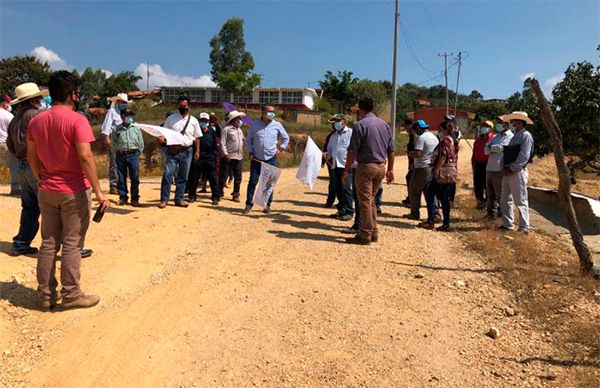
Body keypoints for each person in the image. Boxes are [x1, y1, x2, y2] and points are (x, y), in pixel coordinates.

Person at [27, 70, 110, 310]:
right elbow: (85, 157)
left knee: (48, 243)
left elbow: (32, 156)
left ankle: (45, 295)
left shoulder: (37, 121)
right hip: (73, 191)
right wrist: (98, 191)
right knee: (73, 243)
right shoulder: (77, 120)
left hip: (47, 189)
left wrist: (41, 177)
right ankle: (72, 294)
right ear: (73, 94)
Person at [342, 98, 394, 245]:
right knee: (371, 200)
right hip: (380, 167)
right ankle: (374, 231)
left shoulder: (360, 125)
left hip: (366, 167)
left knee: (364, 201)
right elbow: (391, 150)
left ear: (360, 109)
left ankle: (365, 234)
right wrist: (390, 169)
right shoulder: (385, 125)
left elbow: (352, 151)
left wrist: (346, 170)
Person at [6, 83, 46, 256]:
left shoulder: (14, 120)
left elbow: (10, 145)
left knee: (29, 208)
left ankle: (21, 243)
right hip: (36, 163)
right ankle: (68, 247)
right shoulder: (36, 116)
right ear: (34, 99)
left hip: (22, 165)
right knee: (53, 206)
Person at [243, 105, 290, 215]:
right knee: (253, 182)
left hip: (271, 159)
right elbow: (249, 140)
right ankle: (248, 204)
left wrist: (281, 149)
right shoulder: (254, 124)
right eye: (269, 111)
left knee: (269, 183)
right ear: (263, 112)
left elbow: (285, 138)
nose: (272, 114)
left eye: (273, 112)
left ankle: (267, 205)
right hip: (256, 158)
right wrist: (250, 151)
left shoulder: (277, 125)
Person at [158, 96, 202, 208]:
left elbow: (197, 137)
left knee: (183, 176)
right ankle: (164, 199)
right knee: (168, 174)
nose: (183, 108)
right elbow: (163, 132)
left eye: (185, 106)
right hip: (172, 150)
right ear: (177, 106)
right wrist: (161, 138)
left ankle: (179, 198)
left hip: (187, 151)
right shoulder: (171, 118)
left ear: (189, 106)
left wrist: (197, 151)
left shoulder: (194, 121)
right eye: (181, 106)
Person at [499, 111, 534, 234]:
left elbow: (524, 155)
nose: (513, 122)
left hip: (517, 171)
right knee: (505, 199)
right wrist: (503, 167)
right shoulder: (515, 135)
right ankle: (507, 223)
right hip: (507, 170)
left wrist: (512, 168)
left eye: (515, 120)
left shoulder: (526, 135)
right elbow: (507, 153)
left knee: (520, 200)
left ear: (521, 122)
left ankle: (524, 227)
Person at [421, 122, 459, 231]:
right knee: (444, 197)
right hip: (450, 170)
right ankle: (446, 223)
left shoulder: (445, 140)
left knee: (430, 194)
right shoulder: (453, 140)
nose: (439, 132)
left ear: (444, 129)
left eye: (440, 129)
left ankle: (431, 220)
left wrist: (437, 169)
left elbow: (443, 156)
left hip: (443, 170)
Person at [405, 120, 438, 220]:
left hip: (421, 168)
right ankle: (435, 213)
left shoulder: (421, 138)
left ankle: (415, 213)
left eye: (415, 130)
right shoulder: (434, 137)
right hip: (431, 167)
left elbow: (418, 154)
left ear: (418, 128)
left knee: (414, 190)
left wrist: (409, 154)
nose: (415, 132)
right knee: (430, 191)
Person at [111, 108, 144, 206]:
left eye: (131, 115)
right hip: (121, 155)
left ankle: (135, 199)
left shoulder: (136, 128)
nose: (129, 117)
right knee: (121, 178)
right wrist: (117, 152)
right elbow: (113, 143)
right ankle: (123, 198)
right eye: (127, 115)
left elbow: (141, 142)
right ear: (122, 116)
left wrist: (138, 152)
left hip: (133, 155)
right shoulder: (116, 129)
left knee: (134, 178)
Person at [325, 114, 354, 221]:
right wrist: (326, 155)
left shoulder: (351, 133)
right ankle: (341, 210)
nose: (336, 123)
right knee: (338, 189)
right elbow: (330, 151)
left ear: (344, 122)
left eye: (338, 121)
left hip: (347, 165)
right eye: (335, 121)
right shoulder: (333, 136)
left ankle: (349, 211)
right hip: (335, 165)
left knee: (346, 189)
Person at [188, 112, 220, 205]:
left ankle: (215, 197)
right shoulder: (195, 132)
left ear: (208, 122)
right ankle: (192, 196)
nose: (203, 122)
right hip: (198, 157)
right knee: (194, 177)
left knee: (213, 178)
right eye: (201, 121)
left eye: (205, 121)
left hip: (209, 157)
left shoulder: (212, 132)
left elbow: (216, 145)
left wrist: (214, 154)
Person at [485, 116, 513, 219]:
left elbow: (503, 148)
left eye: (501, 122)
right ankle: (491, 214)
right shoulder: (496, 137)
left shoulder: (510, 136)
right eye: (498, 121)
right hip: (490, 168)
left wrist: (491, 147)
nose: (499, 124)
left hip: (499, 169)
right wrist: (493, 148)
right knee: (490, 194)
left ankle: (502, 215)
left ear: (507, 123)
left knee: (500, 194)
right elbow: (486, 150)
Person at [101, 93, 129, 195]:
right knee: (114, 164)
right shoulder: (112, 112)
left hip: (124, 141)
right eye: (122, 102)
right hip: (114, 140)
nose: (124, 104)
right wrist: (107, 140)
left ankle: (121, 185)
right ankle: (113, 185)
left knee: (123, 164)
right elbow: (106, 127)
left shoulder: (126, 113)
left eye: (125, 102)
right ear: (117, 102)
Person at [219, 110, 246, 202]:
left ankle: (235, 194)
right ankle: (219, 193)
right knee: (223, 175)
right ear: (233, 119)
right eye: (238, 118)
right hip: (228, 156)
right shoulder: (226, 129)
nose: (239, 120)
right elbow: (222, 143)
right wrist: (225, 154)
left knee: (238, 177)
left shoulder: (239, 130)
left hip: (238, 156)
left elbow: (242, 140)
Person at [472, 120, 494, 209]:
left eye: (487, 126)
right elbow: (474, 152)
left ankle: (489, 204)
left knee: (487, 186)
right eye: (483, 125)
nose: (484, 127)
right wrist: (473, 163)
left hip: (487, 165)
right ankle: (480, 202)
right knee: (477, 185)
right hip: (478, 164)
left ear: (491, 128)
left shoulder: (493, 138)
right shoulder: (478, 139)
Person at [0, 94, 20, 196]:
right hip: (5, 143)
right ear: (4, 104)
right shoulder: (9, 115)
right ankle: (15, 188)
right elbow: (14, 131)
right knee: (14, 165)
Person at [322, 126, 337, 208]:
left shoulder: (349, 134)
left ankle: (343, 203)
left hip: (343, 163)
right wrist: (323, 161)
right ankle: (330, 201)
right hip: (331, 163)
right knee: (333, 183)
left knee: (343, 185)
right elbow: (325, 149)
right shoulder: (330, 136)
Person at [401, 118, 414, 207]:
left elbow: (415, 150)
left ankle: (412, 200)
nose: (405, 128)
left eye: (406, 126)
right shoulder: (411, 135)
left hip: (414, 161)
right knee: (409, 178)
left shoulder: (413, 136)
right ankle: (410, 198)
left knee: (410, 179)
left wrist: (412, 163)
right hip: (412, 160)